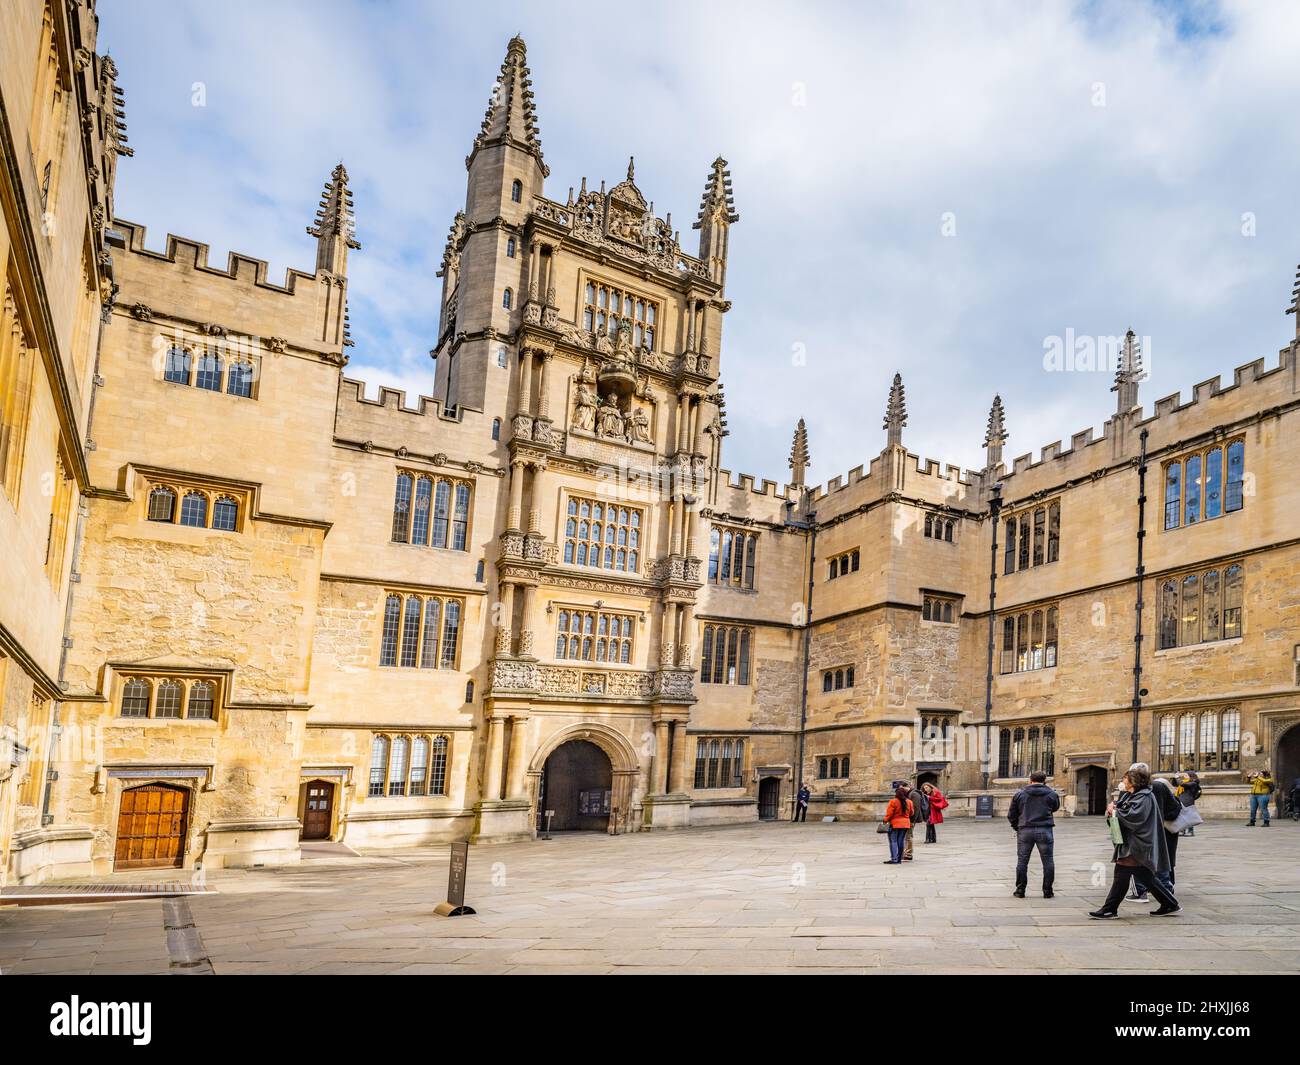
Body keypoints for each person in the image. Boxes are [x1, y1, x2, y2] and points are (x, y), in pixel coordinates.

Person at [1089, 765, 1180, 919]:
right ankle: (1169, 903)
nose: (1123, 780)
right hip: (1131, 842)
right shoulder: (1133, 794)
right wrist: (1116, 808)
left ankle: (1110, 909)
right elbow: (1126, 810)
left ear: (1134, 781)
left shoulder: (1144, 796)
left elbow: (1135, 817)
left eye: (1126, 778)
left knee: (1121, 873)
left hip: (1137, 843)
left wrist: (1114, 811)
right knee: (1144, 875)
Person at [1130, 768, 1181, 903]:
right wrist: (1164, 818)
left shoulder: (1142, 792)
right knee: (1162, 860)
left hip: (1148, 832)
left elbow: (1133, 814)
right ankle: (1166, 890)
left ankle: (1141, 892)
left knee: (1141, 862)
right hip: (1163, 831)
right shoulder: (1157, 787)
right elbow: (1176, 808)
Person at [1008, 769, 1059, 898]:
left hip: (1025, 829)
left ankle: (1020, 891)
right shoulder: (1052, 794)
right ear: (1045, 780)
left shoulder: (1020, 794)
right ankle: (1048, 891)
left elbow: (1012, 815)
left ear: (1030, 780)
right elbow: (1055, 807)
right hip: (1045, 829)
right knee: (1048, 861)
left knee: (1022, 861)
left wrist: (1017, 827)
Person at [882, 785, 914, 864]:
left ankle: (894, 859)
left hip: (895, 824)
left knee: (893, 841)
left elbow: (889, 814)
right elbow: (912, 813)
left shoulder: (893, 801)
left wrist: (885, 821)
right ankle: (899, 859)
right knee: (901, 841)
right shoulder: (909, 802)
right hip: (905, 824)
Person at [903, 780, 927, 861]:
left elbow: (915, 808)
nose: (902, 790)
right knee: (907, 836)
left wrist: (912, 821)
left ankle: (908, 854)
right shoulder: (909, 793)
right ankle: (905, 852)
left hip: (911, 819)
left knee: (908, 836)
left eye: (903, 788)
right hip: (908, 819)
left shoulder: (914, 794)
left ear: (908, 786)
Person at [1177, 771, 1201, 837]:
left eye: (1186, 775)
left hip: (1188, 801)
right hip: (1182, 800)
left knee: (1189, 816)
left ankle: (1190, 831)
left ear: (1191, 776)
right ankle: (1182, 830)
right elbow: (1178, 784)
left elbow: (1182, 784)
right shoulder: (1186, 782)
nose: (1184, 776)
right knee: (1182, 816)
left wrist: (1177, 777)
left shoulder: (1193, 783)